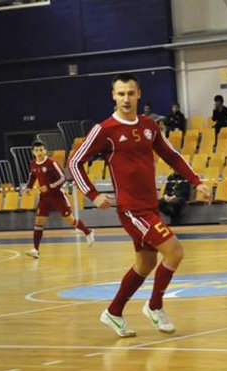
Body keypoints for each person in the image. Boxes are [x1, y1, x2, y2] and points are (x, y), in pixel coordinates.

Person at [69, 73, 211, 337]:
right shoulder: (104, 130)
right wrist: (92, 194)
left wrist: (195, 180)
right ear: (113, 96)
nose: (126, 98)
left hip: (150, 206)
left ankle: (113, 312)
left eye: (130, 93)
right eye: (121, 93)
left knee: (145, 264)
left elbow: (171, 155)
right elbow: (74, 162)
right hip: (132, 210)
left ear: (139, 94)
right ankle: (155, 306)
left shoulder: (149, 126)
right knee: (175, 252)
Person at [23, 140, 94, 258]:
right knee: (39, 222)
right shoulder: (33, 164)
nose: (39, 152)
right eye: (36, 150)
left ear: (45, 151)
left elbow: (63, 178)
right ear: (33, 152)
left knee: (69, 220)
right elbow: (33, 176)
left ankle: (88, 232)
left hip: (57, 196)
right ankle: (35, 249)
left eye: (41, 150)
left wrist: (50, 186)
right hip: (44, 198)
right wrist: (29, 187)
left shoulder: (52, 163)